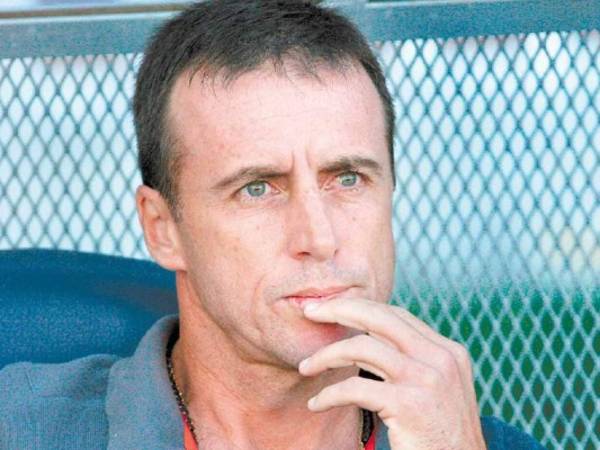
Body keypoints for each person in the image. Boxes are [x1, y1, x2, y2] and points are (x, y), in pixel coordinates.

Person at [0, 1, 545, 449]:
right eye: (257, 188)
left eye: (348, 179)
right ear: (163, 228)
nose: (319, 239)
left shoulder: (475, 444)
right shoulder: (21, 429)